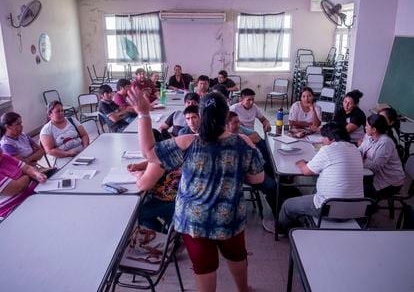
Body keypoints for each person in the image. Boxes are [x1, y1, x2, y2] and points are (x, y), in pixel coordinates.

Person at [128, 88, 264, 292]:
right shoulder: (242, 143)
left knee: (204, 267)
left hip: (193, 221)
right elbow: (257, 178)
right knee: (236, 256)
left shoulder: (187, 142)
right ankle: (243, 289)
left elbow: (149, 153)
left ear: (201, 116)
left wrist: (144, 113)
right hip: (229, 218)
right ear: (226, 116)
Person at [278, 122, 364, 235]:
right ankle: (304, 220)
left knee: (288, 205)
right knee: (315, 191)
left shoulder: (327, 150)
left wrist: (301, 163)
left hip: (330, 209)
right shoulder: (355, 150)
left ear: (332, 139)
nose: (322, 140)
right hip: (356, 209)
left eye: (323, 137)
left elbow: (306, 171)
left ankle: (280, 231)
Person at [358, 114, 405, 199]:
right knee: (354, 181)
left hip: (390, 181)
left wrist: (360, 160)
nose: (365, 127)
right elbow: (361, 149)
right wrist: (356, 155)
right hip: (374, 174)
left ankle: (369, 206)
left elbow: (376, 166)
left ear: (374, 129)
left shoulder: (385, 143)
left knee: (359, 189)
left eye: (367, 126)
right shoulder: (368, 136)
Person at [128, 160, 181, 232]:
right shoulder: (170, 149)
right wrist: (139, 166)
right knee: (144, 208)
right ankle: (164, 234)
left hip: (174, 201)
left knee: (136, 214)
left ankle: (163, 236)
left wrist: (139, 175)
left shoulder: (162, 152)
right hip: (183, 198)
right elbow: (153, 161)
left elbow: (143, 185)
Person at [0, 149, 47, 218]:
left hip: (36, 193)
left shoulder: (5, 157)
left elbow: (27, 168)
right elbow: (17, 188)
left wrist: (36, 174)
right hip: (15, 208)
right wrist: (28, 176)